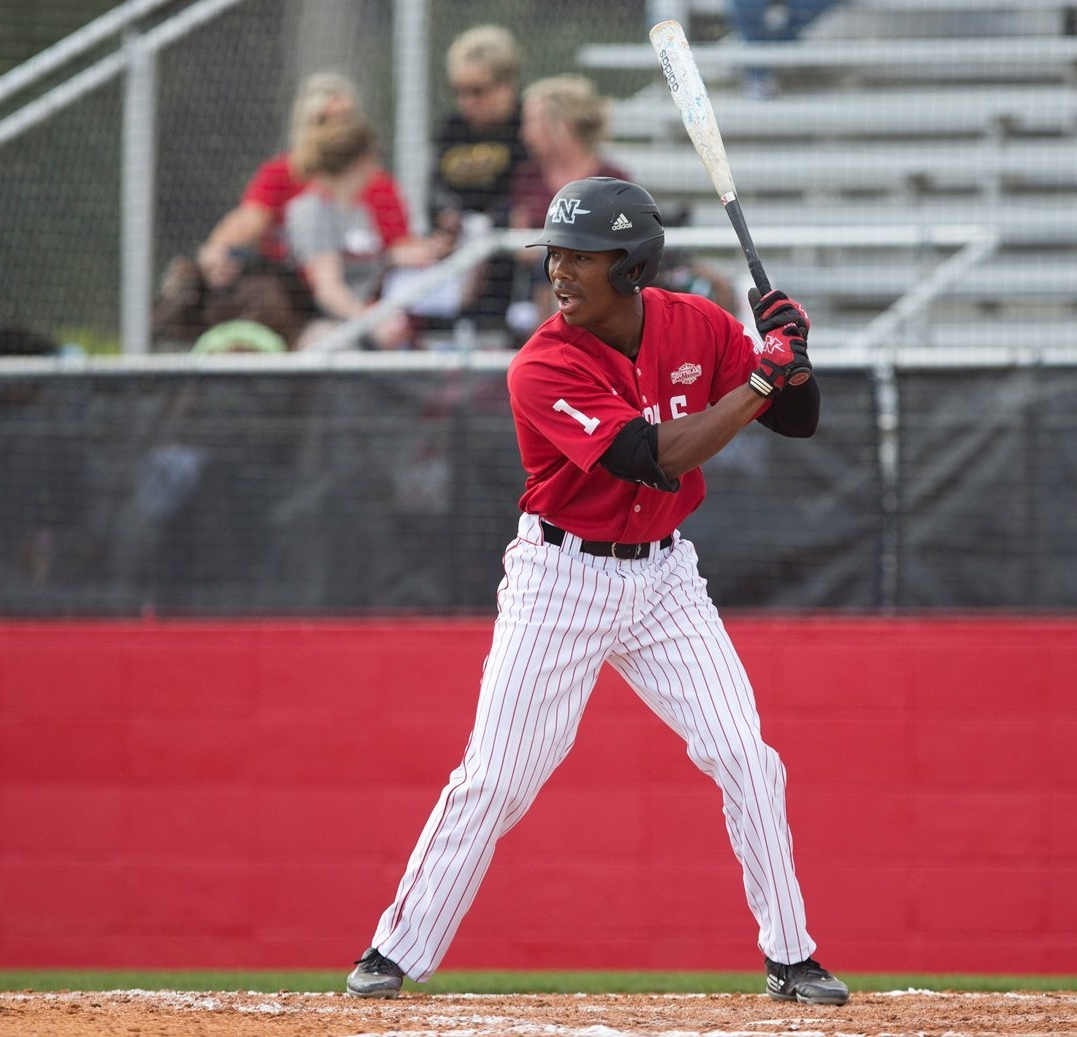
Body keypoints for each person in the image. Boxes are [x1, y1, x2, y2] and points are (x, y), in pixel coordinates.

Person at [346, 176, 848, 1007]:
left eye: (583, 257)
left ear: (633, 265)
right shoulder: (541, 364)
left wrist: (790, 360)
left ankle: (791, 956)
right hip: (560, 579)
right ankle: (393, 949)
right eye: (557, 256)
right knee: (499, 776)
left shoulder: (696, 324)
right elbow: (657, 456)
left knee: (745, 757)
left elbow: (798, 422)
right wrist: (762, 380)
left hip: (663, 577)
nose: (561, 273)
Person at [150, 72, 414, 348]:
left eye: (346, 119)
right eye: (324, 120)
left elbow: (398, 247)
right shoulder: (289, 184)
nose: (336, 129)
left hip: (361, 304)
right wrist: (214, 253)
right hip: (306, 312)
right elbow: (246, 226)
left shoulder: (373, 184)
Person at [284, 111, 445, 351]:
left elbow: (364, 261)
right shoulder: (312, 210)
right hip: (332, 329)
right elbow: (328, 290)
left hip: (368, 319)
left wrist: (394, 257)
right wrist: (373, 323)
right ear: (363, 159)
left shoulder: (359, 209)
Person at [507, 75, 632, 332]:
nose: (524, 134)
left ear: (559, 126)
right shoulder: (527, 176)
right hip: (540, 286)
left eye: (531, 122)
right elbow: (521, 244)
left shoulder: (612, 178)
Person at [426, 24, 529, 334]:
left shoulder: (525, 127)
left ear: (506, 85)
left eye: (477, 91)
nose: (466, 102)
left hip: (505, 254)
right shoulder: (451, 129)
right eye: (458, 92)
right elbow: (434, 189)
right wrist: (446, 217)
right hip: (456, 248)